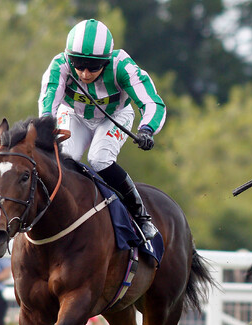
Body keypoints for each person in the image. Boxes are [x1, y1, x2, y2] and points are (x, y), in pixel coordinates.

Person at [39, 18, 165, 241]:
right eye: (78, 64)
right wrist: (45, 133)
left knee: (99, 159)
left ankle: (141, 217)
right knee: (66, 158)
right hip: (74, 114)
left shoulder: (123, 66)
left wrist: (147, 129)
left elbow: (152, 102)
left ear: (106, 61)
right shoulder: (60, 65)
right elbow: (48, 105)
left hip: (115, 115)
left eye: (93, 67)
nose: (85, 73)